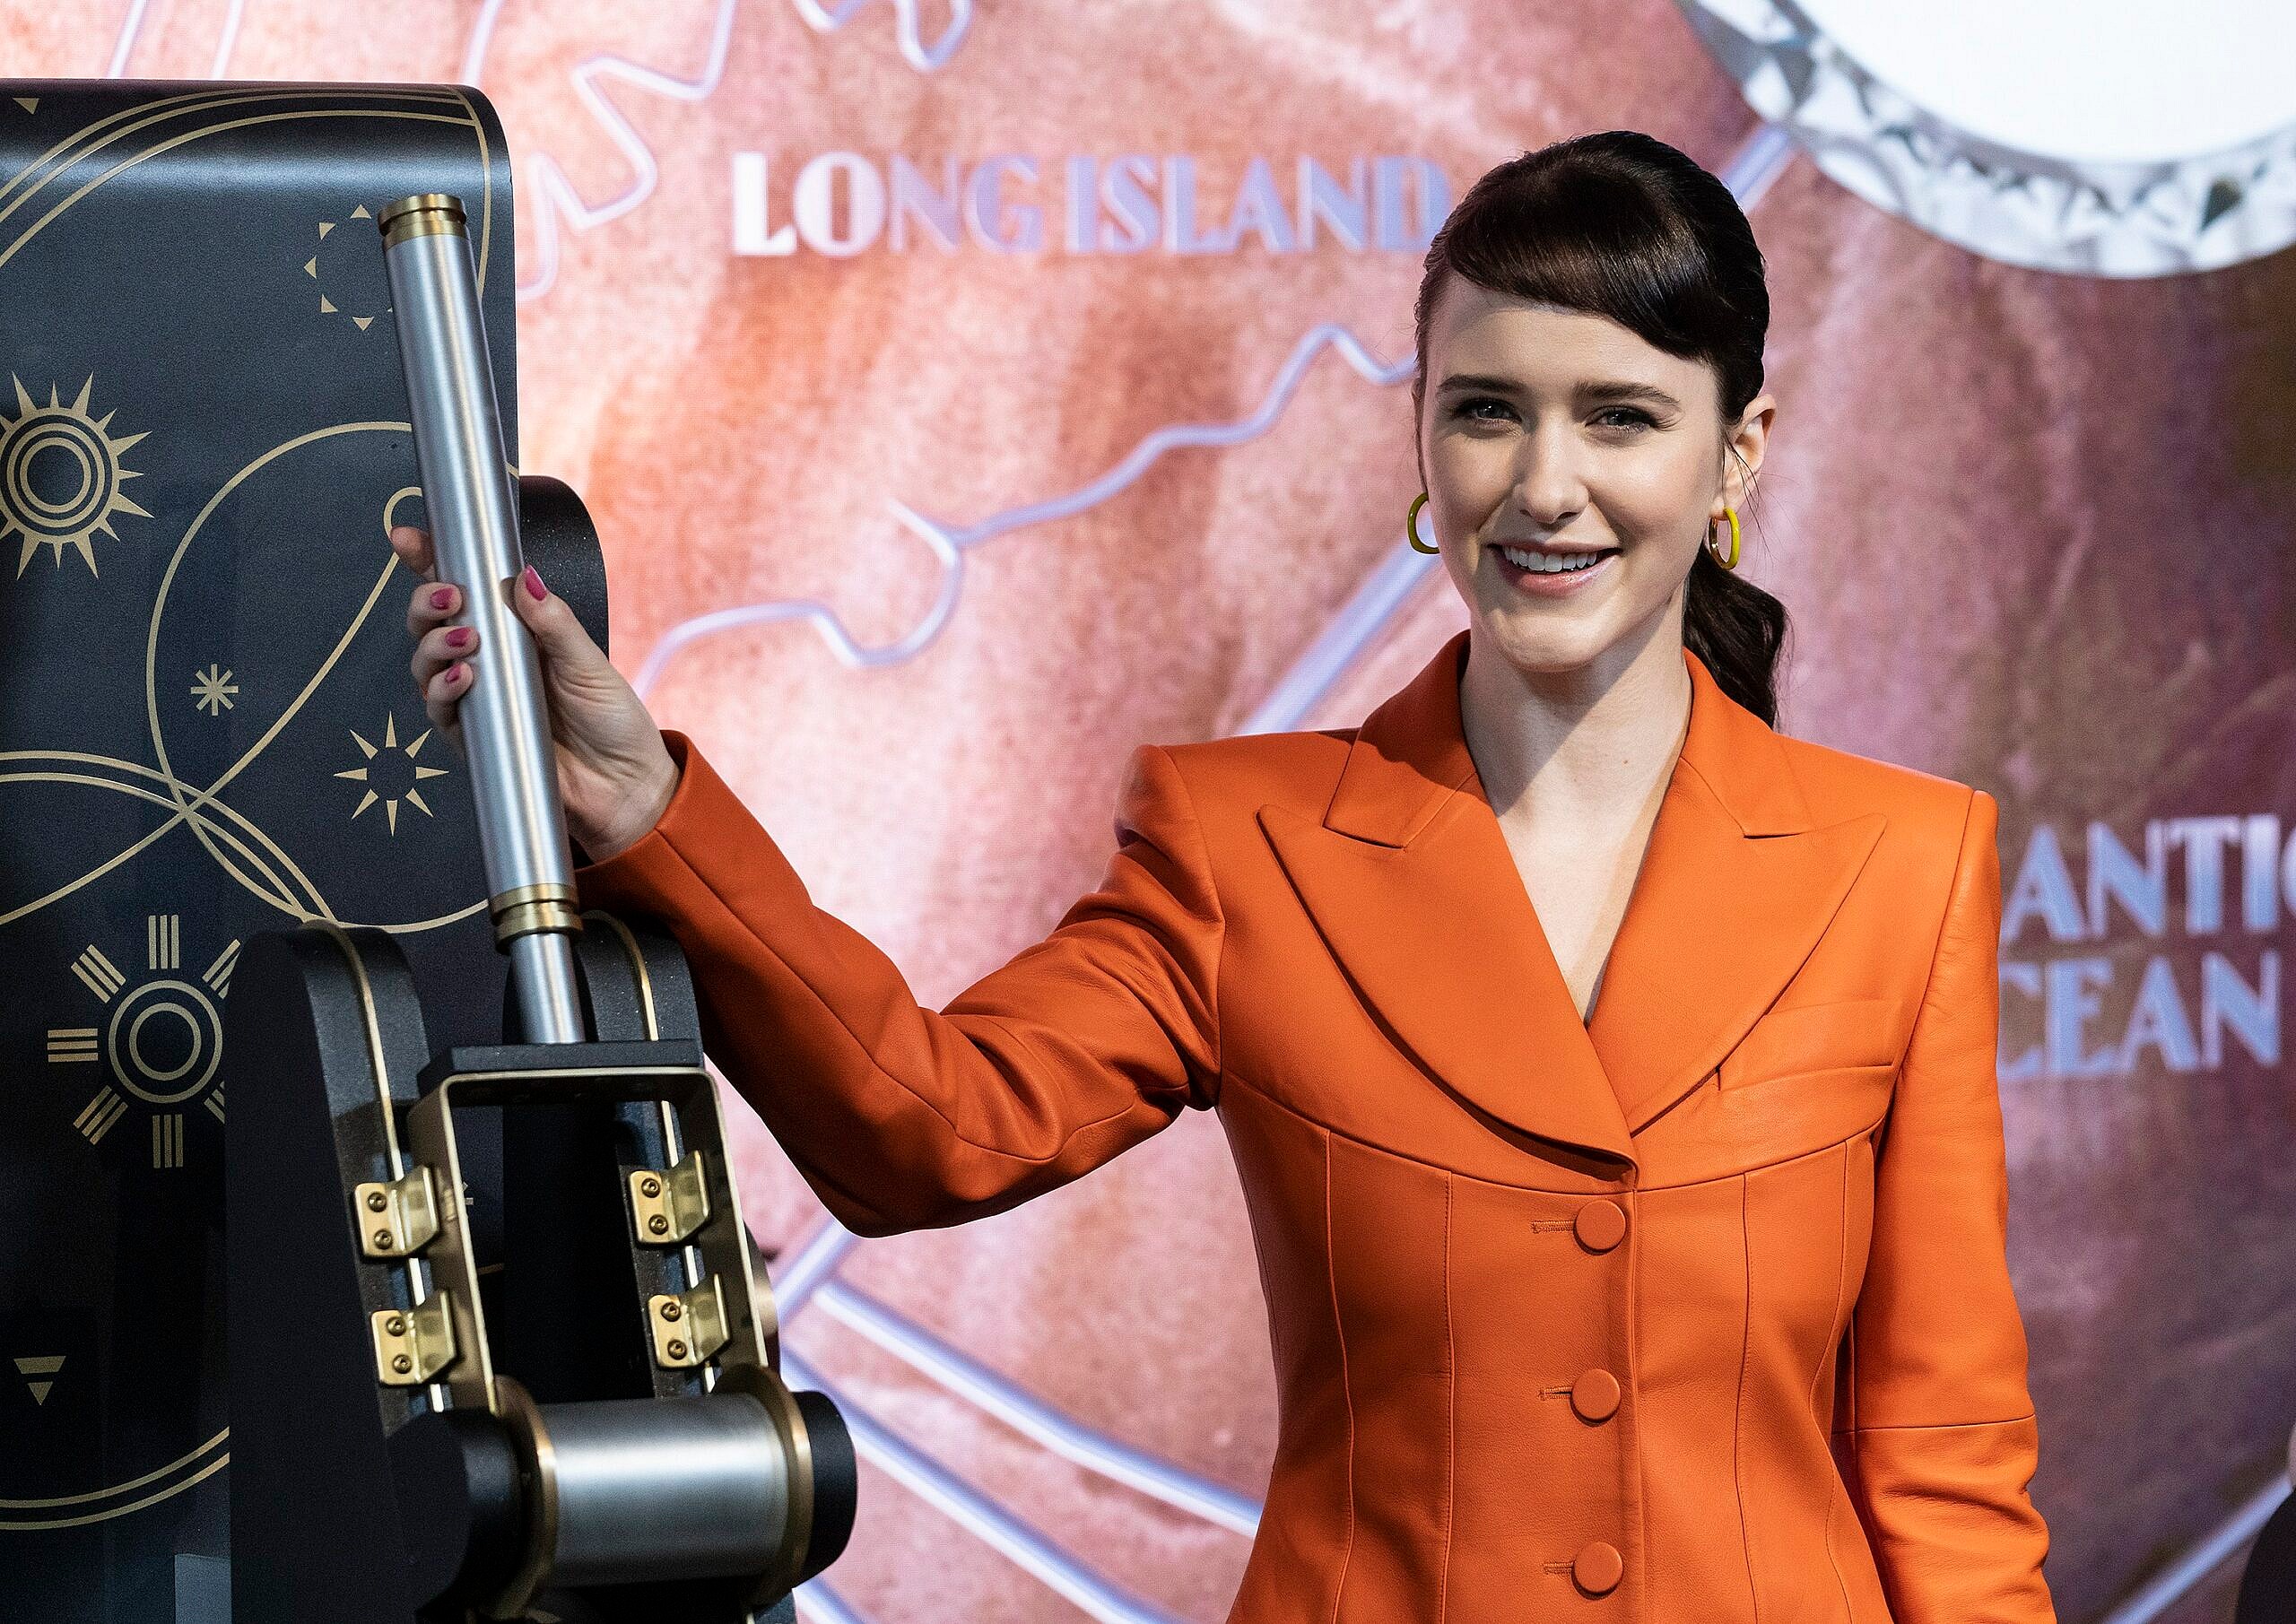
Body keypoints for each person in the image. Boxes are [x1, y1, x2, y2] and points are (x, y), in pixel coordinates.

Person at [393, 130, 2055, 1621]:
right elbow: (931, 1127)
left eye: (1621, 417)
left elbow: (1944, 1458)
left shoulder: (1902, 865)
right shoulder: (1247, 843)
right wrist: (644, 810)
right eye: (1488, 409)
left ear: (1737, 454)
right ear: (1422, 439)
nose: (1547, 486)